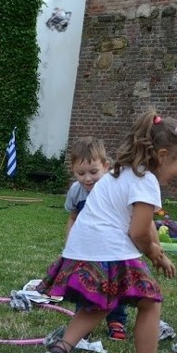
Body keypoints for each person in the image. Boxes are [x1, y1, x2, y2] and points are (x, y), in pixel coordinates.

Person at [38, 110, 177, 353]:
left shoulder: (120, 173)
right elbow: (137, 232)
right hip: (108, 248)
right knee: (150, 302)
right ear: (163, 156)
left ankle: (62, 349)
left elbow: (146, 223)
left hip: (83, 246)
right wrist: (153, 254)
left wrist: (158, 252)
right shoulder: (146, 180)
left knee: (101, 302)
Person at [64, 136, 129, 341]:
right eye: (80, 173)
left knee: (116, 283)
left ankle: (116, 320)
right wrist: (69, 244)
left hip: (113, 247)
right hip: (86, 249)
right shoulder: (76, 191)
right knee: (85, 283)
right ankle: (83, 323)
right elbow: (73, 217)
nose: (87, 179)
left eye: (93, 172)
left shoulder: (113, 187)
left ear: (106, 166)